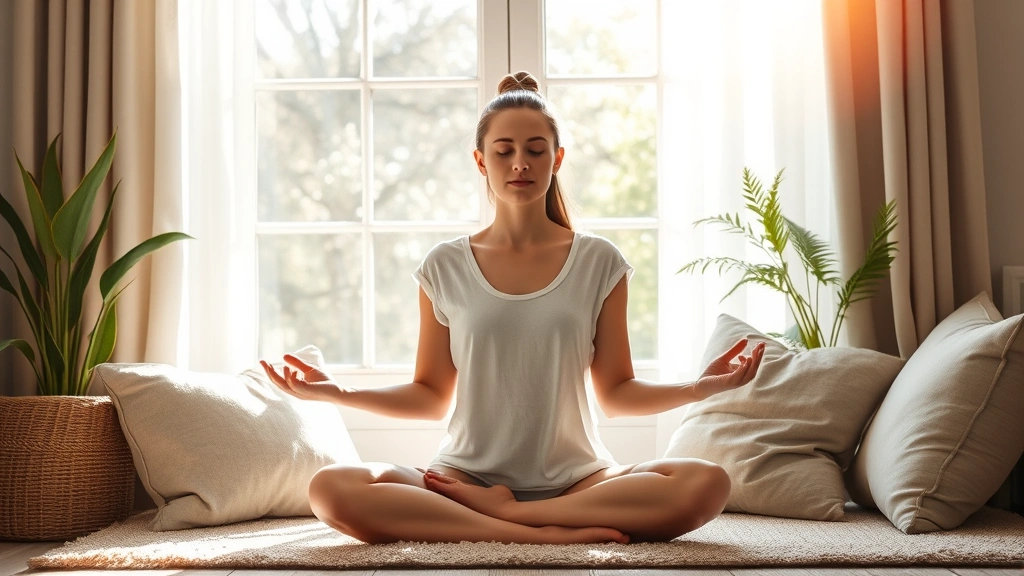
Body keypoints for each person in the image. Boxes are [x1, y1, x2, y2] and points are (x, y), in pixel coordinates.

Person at [260, 71, 766, 546]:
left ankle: (506, 517)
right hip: (463, 477)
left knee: (706, 484)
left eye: (534, 150)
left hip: (580, 480)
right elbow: (430, 395)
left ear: (557, 159)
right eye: (503, 151)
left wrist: (703, 387)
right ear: (481, 161)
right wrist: (338, 393)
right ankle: (534, 533)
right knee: (330, 489)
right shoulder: (444, 266)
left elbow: (616, 392)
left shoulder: (598, 261)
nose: (519, 163)